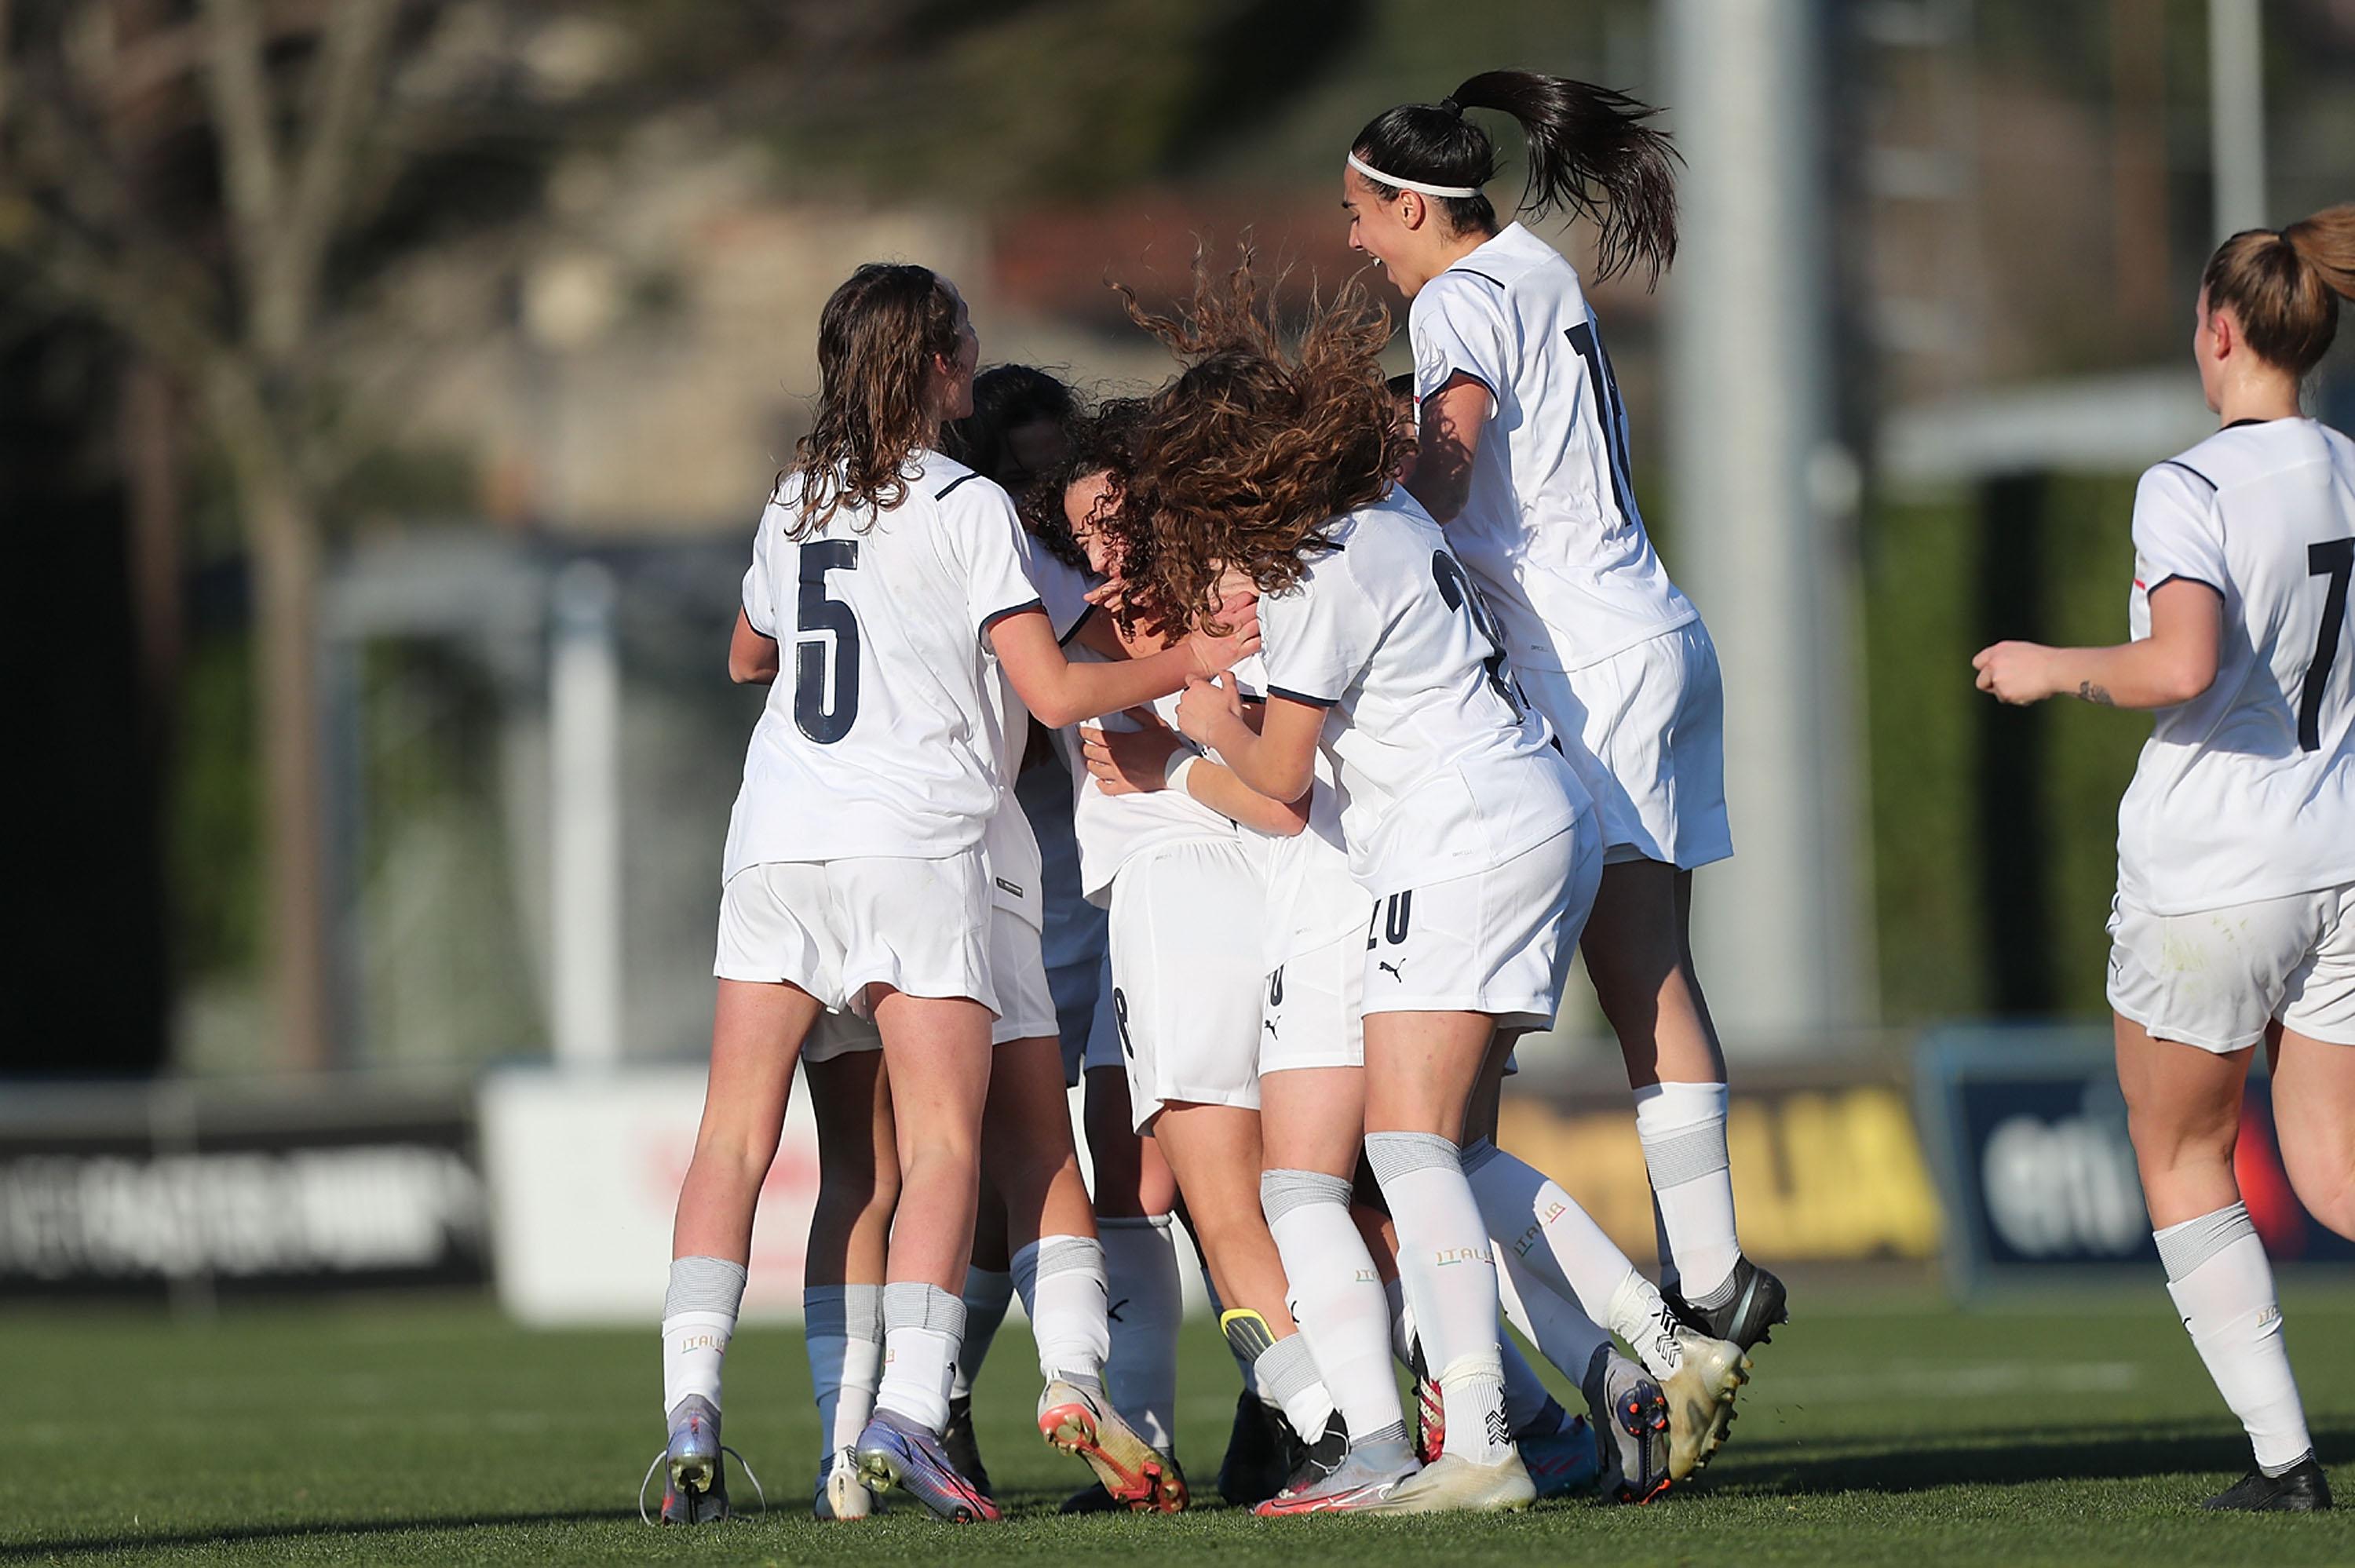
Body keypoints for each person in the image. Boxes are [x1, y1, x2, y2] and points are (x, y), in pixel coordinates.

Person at [652, 263, 1254, 1526]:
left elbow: (747, 652)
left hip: (774, 842)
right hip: (922, 848)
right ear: (930, 362)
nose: (975, 361)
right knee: (946, 1148)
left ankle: (692, 1410)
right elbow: (1051, 693)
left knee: (734, 1141)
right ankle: (910, 1413)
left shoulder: (794, 498)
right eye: (964, 345)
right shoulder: (967, 501)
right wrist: (1197, 656)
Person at [1129, 253, 1724, 1513]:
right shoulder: (1381, 523)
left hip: (1464, 836)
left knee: (1401, 1144)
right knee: (1438, 1142)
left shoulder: (1331, 557)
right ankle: (1655, 1351)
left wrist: (1196, 728)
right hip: (1519, 817)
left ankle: (1477, 1446)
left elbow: (1284, 777)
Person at [1342, 71, 1785, 1351]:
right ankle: (1709, 1278)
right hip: (1650, 632)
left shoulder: (1458, 298)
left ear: (1414, 212)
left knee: (1511, 1005)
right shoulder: (1532, 264)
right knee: (1650, 978)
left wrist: (1338, 489)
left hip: (1584, 659)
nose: (1353, 238)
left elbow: (1450, 459)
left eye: (1362, 212)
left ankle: (1558, 1322)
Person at [1971, 207, 2355, 1514]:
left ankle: (2286, 1463)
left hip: (2218, 868)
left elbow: (2181, 664)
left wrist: (2052, 666)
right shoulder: (2353, 467)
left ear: (2223, 328)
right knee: (2338, 1167)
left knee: (2184, 1157)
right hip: (2340, 855)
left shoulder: (2188, 485)